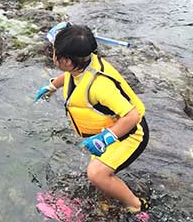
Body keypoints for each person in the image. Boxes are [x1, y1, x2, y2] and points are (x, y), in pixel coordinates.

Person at [34, 24, 149, 211]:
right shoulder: (82, 64)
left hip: (131, 134)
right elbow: (70, 76)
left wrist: (106, 138)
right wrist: (52, 86)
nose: (52, 55)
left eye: (55, 53)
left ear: (68, 61)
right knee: (100, 175)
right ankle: (107, 199)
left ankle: (137, 206)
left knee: (96, 174)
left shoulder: (100, 86)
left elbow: (132, 115)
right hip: (111, 130)